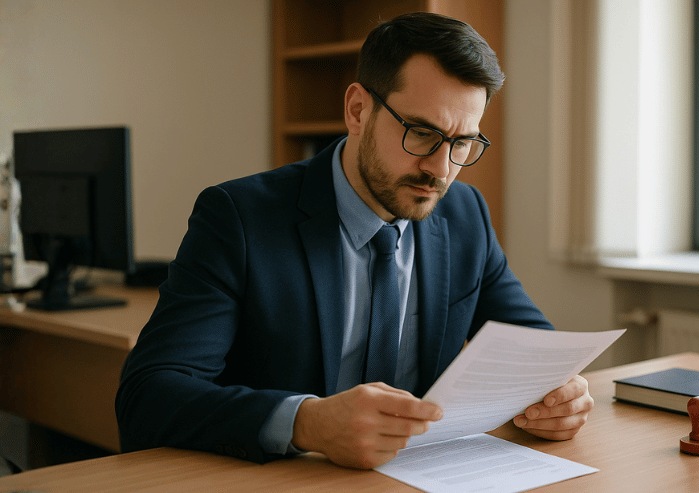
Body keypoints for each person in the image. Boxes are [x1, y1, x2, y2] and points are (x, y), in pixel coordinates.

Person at [115, 11, 593, 470]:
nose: (441, 169)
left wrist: (560, 394)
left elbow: (535, 349)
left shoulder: (465, 213)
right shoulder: (239, 218)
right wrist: (306, 423)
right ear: (358, 110)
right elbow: (149, 395)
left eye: (463, 142)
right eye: (422, 133)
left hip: (418, 476)